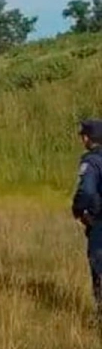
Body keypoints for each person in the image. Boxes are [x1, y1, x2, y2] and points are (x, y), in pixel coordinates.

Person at [71, 119, 102, 321]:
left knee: (99, 267)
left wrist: (79, 210)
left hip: (100, 221)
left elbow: (87, 191)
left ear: (87, 138)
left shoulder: (91, 162)